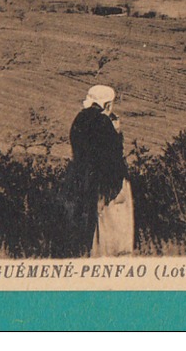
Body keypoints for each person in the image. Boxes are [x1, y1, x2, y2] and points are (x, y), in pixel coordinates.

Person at [63, 85, 134, 257]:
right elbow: (113, 154)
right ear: (108, 104)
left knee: (95, 227)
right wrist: (116, 132)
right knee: (115, 226)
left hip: (84, 179)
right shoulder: (103, 122)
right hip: (107, 183)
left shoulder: (79, 120)